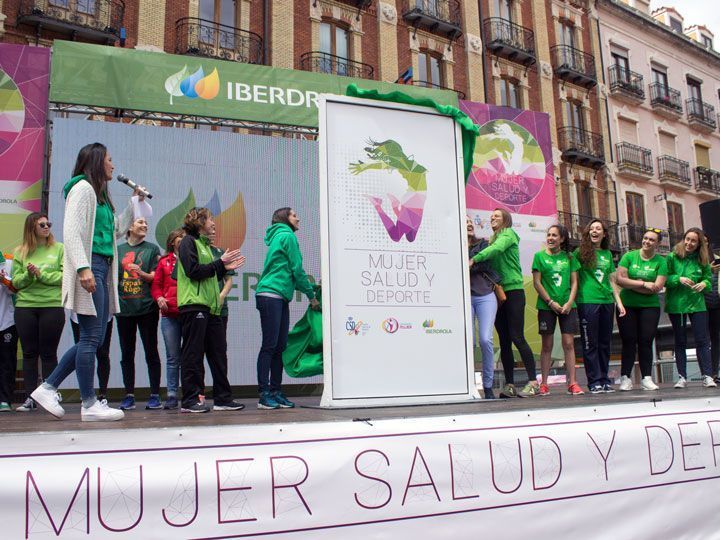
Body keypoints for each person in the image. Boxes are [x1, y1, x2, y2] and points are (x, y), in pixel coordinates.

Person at [30, 142, 141, 422]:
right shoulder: (82, 189)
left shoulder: (99, 195)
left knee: (95, 337)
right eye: (109, 160)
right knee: (92, 337)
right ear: (96, 162)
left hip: (101, 266)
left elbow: (115, 229)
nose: (113, 166)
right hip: (90, 265)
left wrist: (133, 204)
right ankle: (88, 402)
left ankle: (49, 387)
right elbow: (72, 230)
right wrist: (83, 268)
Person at [176, 207, 245, 413]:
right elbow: (193, 271)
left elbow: (211, 272)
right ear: (198, 221)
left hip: (211, 307)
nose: (213, 223)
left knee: (218, 353)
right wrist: (220, 264)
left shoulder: (206, 246)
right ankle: (189, 400)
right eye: (209, 219)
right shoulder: (188, 242)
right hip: (194, 304)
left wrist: (223, 266)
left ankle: (223, 398)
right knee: (193, 354)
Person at [469, 208, 539, 398]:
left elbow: (497, 249)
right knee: (504, 341)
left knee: (517, 336)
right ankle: (509, 384)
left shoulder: (508, 234)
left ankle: (533, 382)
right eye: (491, 216)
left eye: (497, 216)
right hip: (497, 293)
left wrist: (473, 259)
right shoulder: (490, 240)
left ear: (506, 220)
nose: (493, 218)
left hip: (514, 290)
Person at [256, 207, 319, 409]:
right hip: (270, 294)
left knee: (280, 347)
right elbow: (297, 270)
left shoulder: (280, 236)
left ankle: (276, 391)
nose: (298, 218)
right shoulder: (287, 235)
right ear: (285, 219)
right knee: (270, 345)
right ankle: (264, 394)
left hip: (279, 296)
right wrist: (311, 296)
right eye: (294, 215)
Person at [12, 213, 65, 412]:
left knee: (49, 353)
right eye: (41, 224)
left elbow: (63, 277)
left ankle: (51, 395)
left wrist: (41, 274)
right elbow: (16, 282)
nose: (46, 227)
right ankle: (30, 398)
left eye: (48, 223)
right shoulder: (20, 252)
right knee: (29, 353)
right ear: (31, 228)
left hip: (52, 304)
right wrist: (28, 274)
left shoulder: (59, 248)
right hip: (26, 306)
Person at [115, 217, 162, 410]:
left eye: (146, 223)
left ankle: (155, 395)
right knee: (127, 353)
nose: (145, 226)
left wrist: (140, 273)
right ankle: (129, 394)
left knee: (151, 351)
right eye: (140, 222)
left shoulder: (152, 249)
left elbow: (156, 277)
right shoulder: (118, 250)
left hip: (147, 308)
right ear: (129, 227)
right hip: (124, 309)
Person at [531, 224, 584, 396]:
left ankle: (573, 383)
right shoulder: (539, 257)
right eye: (549, 235)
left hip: (568, 306)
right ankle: (544, 384)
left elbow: (575, 282)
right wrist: (550, 301)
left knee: (568, 344)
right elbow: (537, 283)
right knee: (547, 345)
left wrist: (569, 302)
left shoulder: (569, 258)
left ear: (562, 239)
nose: (550, 238)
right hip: (547, 306)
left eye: (554, 235)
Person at [575, 219, 625, 394]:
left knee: (605, 343)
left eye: (599, 229)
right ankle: (594, 381)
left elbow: (611, 280)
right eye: (592, 229)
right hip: (587, 300)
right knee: (590, 343)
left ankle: (604, 379)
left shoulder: (607, 254)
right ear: (588, 233)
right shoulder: (579, 253)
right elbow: (573, 278)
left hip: (606, 302)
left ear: (604, 233)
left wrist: (618, 303)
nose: (595, 231)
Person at [615, 228, 667, 391]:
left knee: (646, 341)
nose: (647, 241)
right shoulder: (629, 256)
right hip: (627, 305)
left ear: (657, 244)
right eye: (645, 238)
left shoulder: (661, 261)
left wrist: (632, 284)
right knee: (628, 341)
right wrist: (643, 283)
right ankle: (625, 378)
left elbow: (657, 287)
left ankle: (646, 378)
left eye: (651, 240)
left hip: (650, 306)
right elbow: (620, 280)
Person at [665, 227, 715, 388]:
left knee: (702, 341)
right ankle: (681, 377)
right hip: (677, 304)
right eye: (687, 239)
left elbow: (708, 279)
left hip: (697, 304)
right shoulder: (672, 256)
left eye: (693, 241)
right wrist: (678, 279)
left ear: (699, 243)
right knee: (680, 341)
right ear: (683, 239)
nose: (689, 243)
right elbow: (664, 278)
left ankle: (707, 376)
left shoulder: (703, 259)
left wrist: (704, 284)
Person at [151, 229, 184, 410]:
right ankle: (172, 394)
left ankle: (192, 393)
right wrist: (159, 298)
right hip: (169, 315)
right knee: (173, 357)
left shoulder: (190, 259)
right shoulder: (164, 262)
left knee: (190, 356)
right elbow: (156, 286)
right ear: (172, 242)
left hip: (188, 313)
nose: (183, 241)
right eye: (179, 238)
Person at [467, 216, 499, 399]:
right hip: (464, 299)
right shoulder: (454, 246)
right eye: (465, 222)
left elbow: (485, 263)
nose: (469, 224)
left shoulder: (484, 245)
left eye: (470, 222)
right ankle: (469, 385)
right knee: (468, 343)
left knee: (486, 340)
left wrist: (471, 262)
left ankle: (488, 386)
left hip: (485, 295)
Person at [70, 310, 112, 401]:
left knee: (103, 353)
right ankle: (86, 394)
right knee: (82, 354)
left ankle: (102, 394)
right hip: (79, 313)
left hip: (103, 314)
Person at [0, 253, 18, 412]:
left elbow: (17, 289)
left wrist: (4, 280)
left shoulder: (9, 263)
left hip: (7, 321)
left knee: (7, 362)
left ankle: (5, 399)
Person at [703, 234, 720, 383]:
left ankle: (715, 372)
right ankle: (706, 373)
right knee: (703, 340)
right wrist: (709, 270)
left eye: (706, 241)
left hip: (716, 303)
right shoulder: (692, 260)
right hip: (700, 304)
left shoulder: (716, 256)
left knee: (716, 339)